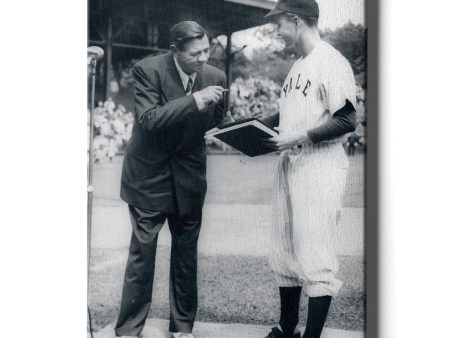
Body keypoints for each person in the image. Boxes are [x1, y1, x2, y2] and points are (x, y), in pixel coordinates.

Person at [115, 21, 227, 338]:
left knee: (186, 258)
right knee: (142, 257)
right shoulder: (147, 70)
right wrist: (195, 100)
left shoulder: (216, 77)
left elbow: (217, 121)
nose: (203, 58)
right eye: (195, 54)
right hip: (148, 179)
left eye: (207, 50)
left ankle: (182, 329)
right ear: (175, 50)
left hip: (189, 179)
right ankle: (128, 330)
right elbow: (149, 120)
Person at [252, 1, 357, 337]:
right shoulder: (297, 66)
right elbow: (285, 116)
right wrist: (246, 128)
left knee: (314, 253)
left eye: (279, 24)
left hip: (319, 164)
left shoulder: (331, 61)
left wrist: (300, 136)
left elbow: (346, 119)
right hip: (291, 162)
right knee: (283, 250)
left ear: (296, 22)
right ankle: (287, 327)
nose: (278, 32)